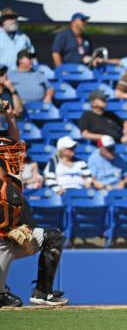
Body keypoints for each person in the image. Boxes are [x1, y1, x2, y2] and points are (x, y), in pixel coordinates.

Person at [0, 100, 68, 307]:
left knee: (53, 237)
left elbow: (13, 140)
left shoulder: (6, 146)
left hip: (11, 233)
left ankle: (42, 292)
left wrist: (10, 117)